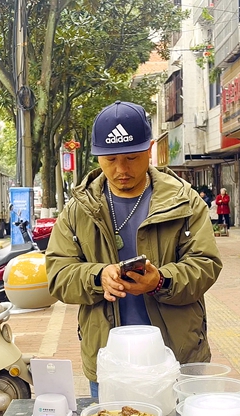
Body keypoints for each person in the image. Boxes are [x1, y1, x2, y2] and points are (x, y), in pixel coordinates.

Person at [46, 100, 222, 398]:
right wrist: (98, 277)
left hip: (177, 357)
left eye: (132, 157)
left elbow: (205, 264)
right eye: (110, 159)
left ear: (150, 149)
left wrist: (161, 281)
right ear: (97, 156)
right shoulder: (78, 210)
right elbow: (58, 274)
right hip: (109, 359)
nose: (121, 169)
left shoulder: (184, 201)